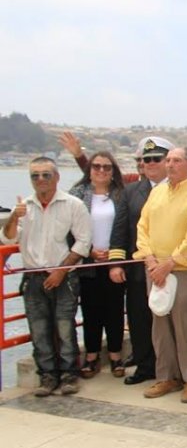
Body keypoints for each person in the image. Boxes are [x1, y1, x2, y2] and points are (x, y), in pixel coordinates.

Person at [1, 157, 91, 396]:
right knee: (38, 329)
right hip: (33, 277)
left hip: (64, 275)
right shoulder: (24, 207)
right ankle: (47, 376)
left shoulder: (73, 204)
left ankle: (70, 375)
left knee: (64, 327)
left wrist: (61, 271)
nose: (40, 180)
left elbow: (83, 242)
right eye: (35, 175)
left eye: (45, 175)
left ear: (57, 177)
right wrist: (13, 217)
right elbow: (9, 238)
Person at [134, 147, 187, 403]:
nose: (170, 165)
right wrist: (149, 257)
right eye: (168, 160)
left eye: (176, 160)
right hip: (154, 270)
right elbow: (142, 227)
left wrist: (170, 262)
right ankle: (166, 376)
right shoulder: (156, 193)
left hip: (185, 270)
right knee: (160, 325)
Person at [109, 137, 173, 385]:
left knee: (170, 322)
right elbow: (120, 230)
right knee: (139, 319)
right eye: (146, 160)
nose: (150, 163)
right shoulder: (131, 191)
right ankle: (146, 366)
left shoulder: (179, 188)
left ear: (168, 161)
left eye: (156, 159)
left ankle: (172, 369)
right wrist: (116, 263)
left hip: (171, 268)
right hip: (138, 270)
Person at [69, 151, 127, 379]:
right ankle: (91, 357)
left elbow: (126, 228)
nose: (101, 171)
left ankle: (115, 355)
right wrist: (88, 251)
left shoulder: (121, 195)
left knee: (114, 311)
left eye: (106, 167)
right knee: (90, 312)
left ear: (113, 171)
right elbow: (69, 230)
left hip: (115, 263)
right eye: (96, 167)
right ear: (89, 170)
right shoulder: (76, 195)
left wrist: (114, 257)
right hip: (87, 263)